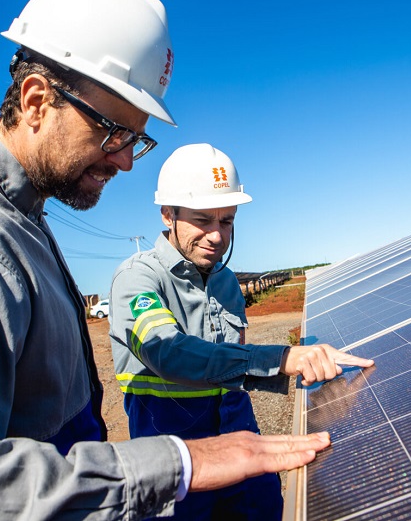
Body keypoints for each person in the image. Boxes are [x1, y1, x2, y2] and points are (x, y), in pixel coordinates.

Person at [0, 0, 338, 520]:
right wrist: (177, 463)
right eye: (113, 130)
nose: (125, 160)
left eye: (135, 140)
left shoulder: (21, 224)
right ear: (36, 101)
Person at [108, 143, 375, 520]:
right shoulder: (137, 279)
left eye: (227, 221)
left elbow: (235, 361)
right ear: (168, 213)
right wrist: (279, 358)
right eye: (203, 219)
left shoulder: (227, 281)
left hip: (241, 434)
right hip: (177, 455)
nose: (217, 236)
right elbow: (169, 353)